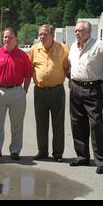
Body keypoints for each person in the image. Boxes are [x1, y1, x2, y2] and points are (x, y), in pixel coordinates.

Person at [68, 20, 103, 174]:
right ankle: (82, 156)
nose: (77, 33)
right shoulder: (73, 46)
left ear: (89, 32)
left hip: (93, 89)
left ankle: (101, 161)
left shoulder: (99, 46)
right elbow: (72, 64)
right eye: (76, 31)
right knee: (77, 123)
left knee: (96, 124)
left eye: (80, 31)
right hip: (76, 88)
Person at [0, 27, 32, 160]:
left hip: (17, 91)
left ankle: (15, 150)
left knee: (17, 124)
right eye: (5, 37)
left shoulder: (23, 56)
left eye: (10, 37)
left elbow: (28, 75)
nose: (7, 39)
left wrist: (24, 90)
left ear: (16, 39)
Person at [28, 24, 69, 163]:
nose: (41, 36)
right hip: (39, 91)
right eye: (40, 34)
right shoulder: (34, 49)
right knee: (41, 123)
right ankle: (43, 151)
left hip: (57, 90)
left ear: (52, 35)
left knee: (58, 123)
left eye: (44, 34)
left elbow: (67, 68)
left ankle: (57, 153)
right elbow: (30, 69)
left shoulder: (63, 49)